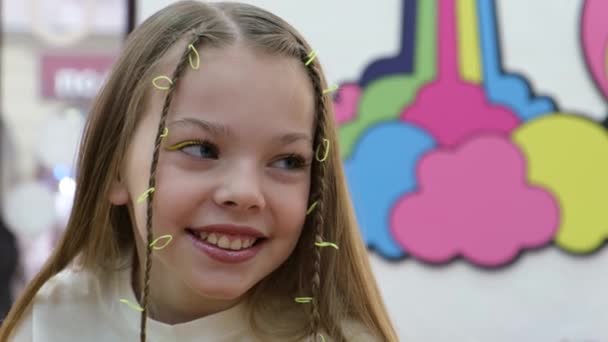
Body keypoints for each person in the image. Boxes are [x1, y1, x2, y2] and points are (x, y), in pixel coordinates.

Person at [0, 1, 398, 341]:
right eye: (201, 149)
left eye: (287, 161)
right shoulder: (51, 319)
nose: (244, 193)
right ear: (115, 171)